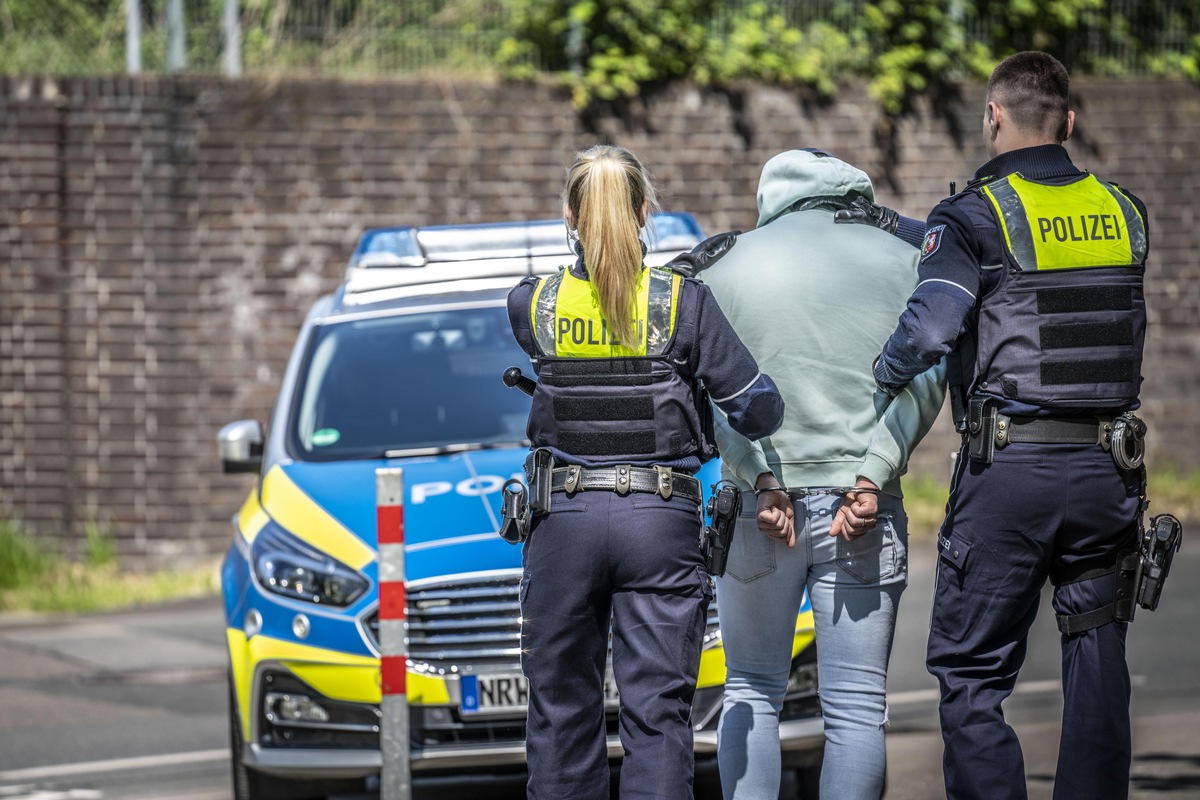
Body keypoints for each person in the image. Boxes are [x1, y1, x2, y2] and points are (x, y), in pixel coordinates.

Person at [873, 51, 1150, 800]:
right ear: (1068, 121)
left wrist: (880, 372)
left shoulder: (971, 218)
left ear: (992, 115)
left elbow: (930, 332)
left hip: (1012, 474)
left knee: (969, 671)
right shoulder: (1125, 211)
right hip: (1107, 471)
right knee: (1097, 652)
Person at [505, 144, 785, 800]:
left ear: (570, 215)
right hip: (659, 526)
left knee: (560, 714)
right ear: (644, 212)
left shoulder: (533, 304)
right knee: (657, 717)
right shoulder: (684, 303)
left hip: (562, 522)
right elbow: (759, 409)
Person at [675, 147, 946, 800]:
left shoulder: (726, 265)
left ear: (773, 195)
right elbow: (931, 373)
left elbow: (714, 393)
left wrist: (759, 477)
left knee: (751, 688)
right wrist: (872, 473)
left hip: (758, 509)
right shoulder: (907, 261)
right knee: (855, 706)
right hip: (865, 506)